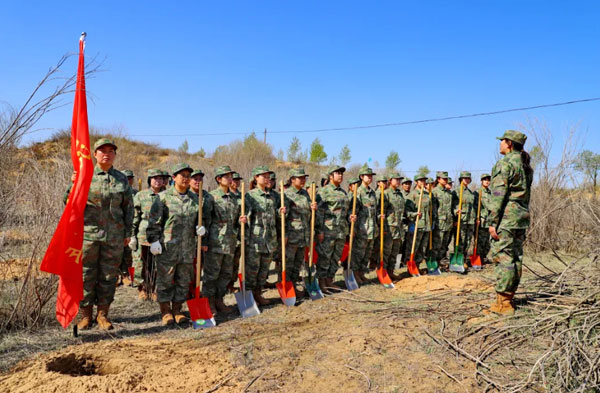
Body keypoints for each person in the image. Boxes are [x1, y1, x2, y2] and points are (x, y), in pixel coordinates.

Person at [74, 138, 133, 331]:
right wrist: (73, 185)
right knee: (86, 275)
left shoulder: (121, 178)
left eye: (111, 150)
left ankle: (103, 315)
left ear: (115, 155)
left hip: (113, 237)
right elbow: (68, 203)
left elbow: (128, 208)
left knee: (108, 277)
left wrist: (127, 232)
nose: (106, 153)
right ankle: (85, 316)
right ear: (95, 154)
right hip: (88, 236)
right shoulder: (85, 175)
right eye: (102, 150)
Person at [146, 163, 205, 326]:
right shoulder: (163, 198)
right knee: (165, 281)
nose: (186, 179)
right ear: (174, 178)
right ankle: (165, 311)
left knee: (183, 281)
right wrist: (154, 240)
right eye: (183, 176)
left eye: (188, 176)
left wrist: (199, 229)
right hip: (168, 248)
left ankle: (178, 309)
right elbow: (154, 222)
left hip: (187, 249)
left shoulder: (195, 199)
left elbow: (199, 220)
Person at [486, 130, 533, 315]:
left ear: (509, 144)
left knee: (503, 259)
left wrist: (492, 221)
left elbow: (498, 196)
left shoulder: (505, 163)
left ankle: (503, 305)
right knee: (515, 259)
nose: (500, 144)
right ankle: (506, 300)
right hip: (520, 218)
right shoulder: (525, 165)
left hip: (506, 218)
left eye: (502, 141)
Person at [203, 166, 240, 314]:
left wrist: (241, 221)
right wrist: (204, 242)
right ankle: (209, 302)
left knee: (226, 274)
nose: (230, 179)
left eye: (231, 176)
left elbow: (235, 220)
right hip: (215, 242)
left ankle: (219, 299)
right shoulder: (211, 197)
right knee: (212, 274)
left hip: (230, 241)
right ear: (219, 179)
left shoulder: (233, 198)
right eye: (227, 177)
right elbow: (205, 220)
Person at [243, 166, 282, 305]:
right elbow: (245, 217)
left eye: (268, 176)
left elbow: (277, 217)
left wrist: (281, 212)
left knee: (263, 271)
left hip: (269, 239)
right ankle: (248, 297)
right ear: (256, 178)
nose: (267, 179)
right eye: (263, 176)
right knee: (252, 270)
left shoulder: (274, 196)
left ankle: (258, 294)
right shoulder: (250, 196)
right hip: (255, 239)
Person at [316, 165, 354, 292]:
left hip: (341, 230)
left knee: (336, 257)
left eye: (341, 173)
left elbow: (345, 211)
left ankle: (329, 280)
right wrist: (320, 230)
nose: (340, 175)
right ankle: (321, 281)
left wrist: (350, 217)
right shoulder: (323, 192)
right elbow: (319, 213)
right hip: (328, 230)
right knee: (325, 257)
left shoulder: (343, 192)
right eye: (337, 173)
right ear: (330, 176)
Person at [130, 168, 164, 301]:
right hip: (143, 234)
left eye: (160, 178)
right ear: (150, 180)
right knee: (141, 263)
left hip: (161, 234)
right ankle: (143, 288)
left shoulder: (167, 195)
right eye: (155, 178)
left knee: (156, 264)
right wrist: (132, 235)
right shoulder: (141, 195)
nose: (158, 181)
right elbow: (134, 216)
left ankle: (154, 288)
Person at [283, 168, 316, 297]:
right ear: (292, 179)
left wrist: (312, 207)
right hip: (292, 235)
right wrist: (284, 235)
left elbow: (307, 212)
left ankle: (294, 285)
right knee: (289, 263)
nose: (303, 180)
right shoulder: (287, 194)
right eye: (300, 178)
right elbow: (283, 217)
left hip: (303, 234)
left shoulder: (305, 193)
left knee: (298, 264)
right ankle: (287, 287)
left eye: (304, 178)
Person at [352, 166, 379, 284]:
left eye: (371, 176)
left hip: (372, 228)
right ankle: (355, 274)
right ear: (362, 177)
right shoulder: (358, 192)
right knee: (358, 253)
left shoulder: (372, 193)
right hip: (362, 228)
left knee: (367, 253)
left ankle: (362, 273)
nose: (370, 178)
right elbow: (353, 211)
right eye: (368, 176)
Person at [380, 173, 406, 280]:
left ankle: (391, 271)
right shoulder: (385, 194)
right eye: (396, 180)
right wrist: (384, 227)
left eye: (399, 180)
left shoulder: (400, 195)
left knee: (395, 252)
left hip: (398, 228)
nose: (398, 182)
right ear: (390, 180)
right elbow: (381, 211)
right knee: (386, 251)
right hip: (389, 228)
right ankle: (383, 272)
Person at [404, 173, 431, 271]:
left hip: (426, 225)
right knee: (413, 247)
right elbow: (407, 212)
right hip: (416, 225)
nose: (423, 182)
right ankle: (410, 266)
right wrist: (415, 214)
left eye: (424, 180)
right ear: (416, 182)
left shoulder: (427, 195)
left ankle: (418, 266)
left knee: (422, 248)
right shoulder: (412, 195)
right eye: (421, 180)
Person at [432, 171, 454, 265]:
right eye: (443, 178)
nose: (445, 180)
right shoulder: (434, 192)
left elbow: (451, 207)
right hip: (439, 222)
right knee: (437, 244)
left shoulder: (448, 193)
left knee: (444, 244)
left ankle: (439, 261)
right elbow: (433, 209)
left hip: (448, 222)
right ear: (438, 179)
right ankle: (433, 262)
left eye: (446, 178)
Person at [454, 171, 476, 266]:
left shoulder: (470, 192)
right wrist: (455, 214)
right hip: (461, 219)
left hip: (470, 219)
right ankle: (458, 260)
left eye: (468, 178)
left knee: (468, 240)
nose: (466, 180)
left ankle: (464, 259)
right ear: (461, 180)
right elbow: (452, 205)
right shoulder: (457, 191)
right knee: (460, 240)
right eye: (464, 178)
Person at [119, 170, 137, 286]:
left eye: (130, 178)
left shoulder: (136, 193)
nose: (128, 180)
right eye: (126, 177)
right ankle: (118, 274)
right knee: (117, 252)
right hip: (118, 225)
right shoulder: (117, 192)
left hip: (131, 225)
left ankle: (126, 274)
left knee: (128, 253)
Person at [228, 172, 243, 292]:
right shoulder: (227, 196)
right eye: (234, 180)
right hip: (228, 234)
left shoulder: (241, 196)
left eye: (238, 180)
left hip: (238, 234)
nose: (236, 182)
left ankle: (231, 283)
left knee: (236, 261)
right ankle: (226, 284)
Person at [477, 173, 492, 263]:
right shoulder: (479, 192)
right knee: (480, 241)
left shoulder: (490, 193)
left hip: (489, 220)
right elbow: (476, 207)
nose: (487, 181)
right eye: (485, 180)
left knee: (488, 242)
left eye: (488, 180)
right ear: (481, 181)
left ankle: (483, 257)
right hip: (482, 220)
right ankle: (478, 258)